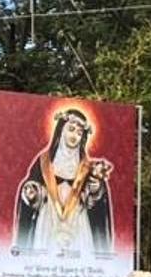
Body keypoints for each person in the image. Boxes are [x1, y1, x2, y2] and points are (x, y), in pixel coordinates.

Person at [13, 107, 115, 257]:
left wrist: (96, 190)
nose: (74, 135)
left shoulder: (87, 166)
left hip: (78, 220)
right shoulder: (44, 161)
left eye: (79, 133)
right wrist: (33, 191)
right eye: (71, 129)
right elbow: (32, 187)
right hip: (49, 218)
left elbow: (96, 202)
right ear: (61, 130)